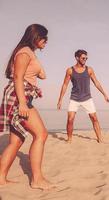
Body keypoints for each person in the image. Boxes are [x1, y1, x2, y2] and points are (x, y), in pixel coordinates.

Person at [0, 24, 54, 189]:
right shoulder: (24, 52)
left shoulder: (29, 53)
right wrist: (22, 103)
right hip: (19, 97)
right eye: (44, 38)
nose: (46, 41)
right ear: (36, 37)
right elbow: (17, 77)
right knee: (41, 134)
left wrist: (36, 65)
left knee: (16, 141)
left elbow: (43, 75)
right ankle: (37, 179)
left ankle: (0, 178)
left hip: (20, 95)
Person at [57, 49, 109, 143]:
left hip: (87, 98)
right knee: (70, 119)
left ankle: (100, 139)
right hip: (74, 98)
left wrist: (104, 94)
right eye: (83, 58)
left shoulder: (89, 69)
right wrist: (60, 100)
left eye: (86, 58)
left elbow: (96, 82)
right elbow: (65, 85)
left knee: (94, 118)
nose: (85, 59)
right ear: (77, 58)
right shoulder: (70, 70)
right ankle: (69, 139)